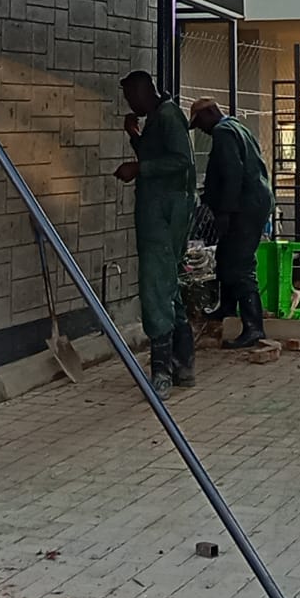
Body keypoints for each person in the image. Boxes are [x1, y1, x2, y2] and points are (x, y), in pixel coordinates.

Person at [113, 71, 197, 394]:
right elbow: (156, 155)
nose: (129, 104)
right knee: (167, 285)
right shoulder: (157, 119)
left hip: (164, 218)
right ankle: (183, 364)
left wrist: (139, 169)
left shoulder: (169, 116)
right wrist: (135, 137)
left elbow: (180, 162)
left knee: (155, 286)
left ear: (143, 91)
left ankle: (161, 372)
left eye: (130, 97)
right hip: (158, 216)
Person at [190, 98, 273, 348]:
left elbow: (231, 173)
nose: (202, 130)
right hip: (253, 202)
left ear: (210, 113)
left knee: (239, 263)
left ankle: (254, 327)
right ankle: (225, 309)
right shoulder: (238, 127)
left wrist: (224, 211)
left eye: (200, 123)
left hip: (243, 207)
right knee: (226, 255)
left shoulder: (223, 132)